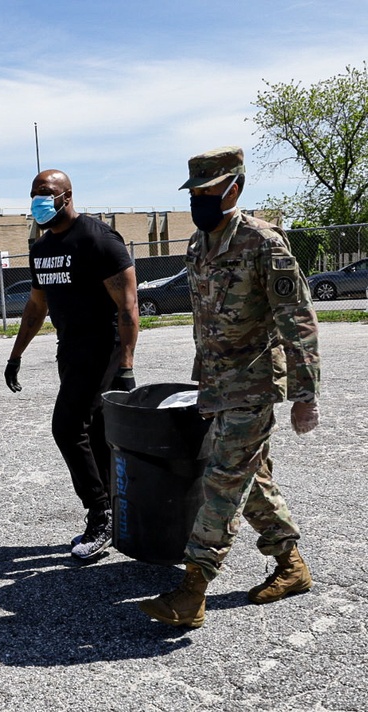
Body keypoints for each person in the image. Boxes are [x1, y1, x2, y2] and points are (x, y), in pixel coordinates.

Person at [139, 146, 321, 628]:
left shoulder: (265, 243)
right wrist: (201, 382)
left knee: (221, 480)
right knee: (250, 476)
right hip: (219, 384)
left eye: (208, 192)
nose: (198, 201)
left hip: (256, 382)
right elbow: (204, 322)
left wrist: (305, 395)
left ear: (234, 188)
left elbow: (297, 320)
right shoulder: (198, 246)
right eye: (194, 193)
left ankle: (192, 589)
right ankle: (291, 566)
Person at [4, 169, 139, 560]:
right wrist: (16, 355)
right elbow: (36, 306)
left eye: (45, 193)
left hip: (104, 347)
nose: (37, 200)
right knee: (94, 432)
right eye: (33, 194)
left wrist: (126, 365)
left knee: (66, 426)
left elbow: (128, 306)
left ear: (67, 196)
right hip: (70, 348)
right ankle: (117, 511)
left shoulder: (98, 239)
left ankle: (100, 513)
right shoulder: (41, 248)